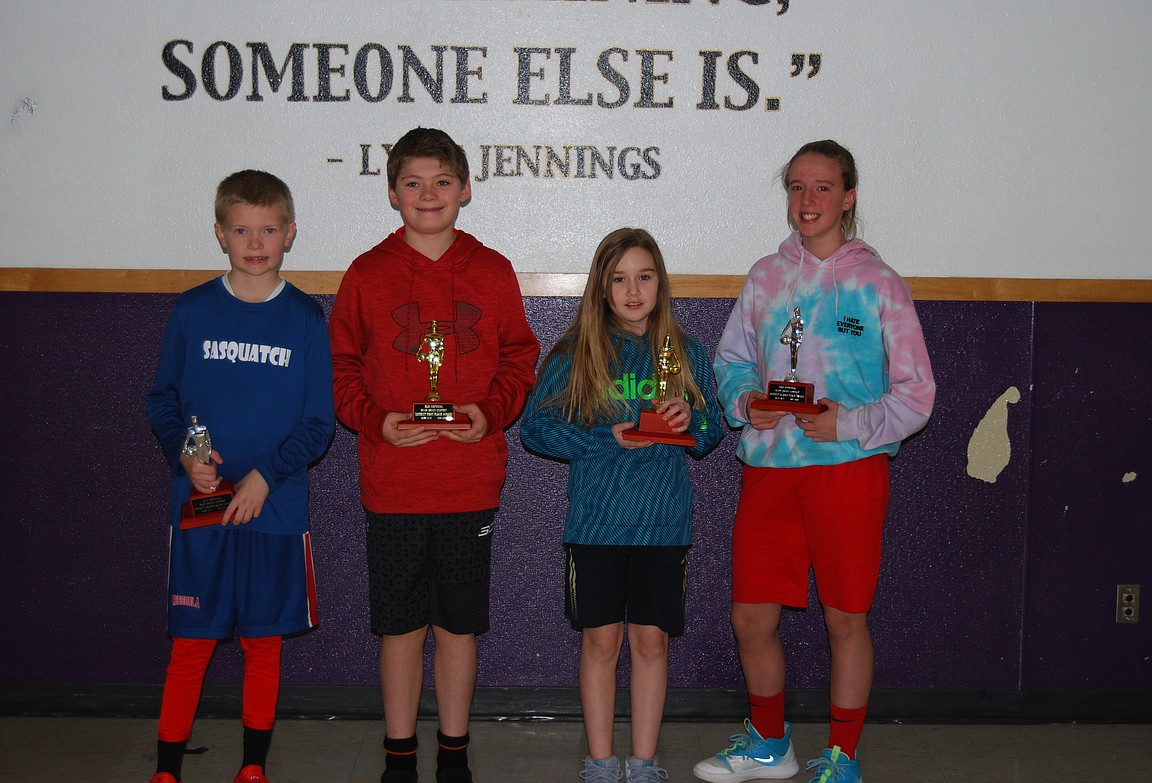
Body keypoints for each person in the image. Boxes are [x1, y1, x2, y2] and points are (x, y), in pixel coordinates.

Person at [693, 140, 935, 783]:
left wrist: (847, 423)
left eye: (822, 188)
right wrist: (746, 402)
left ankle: (843, 758)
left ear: (848, 197)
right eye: (797, 188)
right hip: (771, 468)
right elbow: (731, 363)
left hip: (848, 470)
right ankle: (770, 746)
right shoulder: (766, 278)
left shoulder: (877, 283)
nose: (808, 201)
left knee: (844, 618)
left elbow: (917, 395)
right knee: (750, 617)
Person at [329, 127, 540, 783]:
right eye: (414, 183)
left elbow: (519, 358)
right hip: (393, 483)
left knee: (456, 627)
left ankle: (453, 754)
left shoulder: (492, 269)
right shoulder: (366, 274)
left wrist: (491, 411)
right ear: (392, 192)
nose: (428, 195)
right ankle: (399, 759)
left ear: (466, 189)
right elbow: (341, 372)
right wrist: (377, 422)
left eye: (442, 182)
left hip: (466, 483)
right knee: (399, 629)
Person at [144, 170, 335, 783]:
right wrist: (184, 453)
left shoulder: (306, 319)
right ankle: (166, 768)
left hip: (274, 509)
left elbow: (318, 423)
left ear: (290, 234)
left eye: (269, 229)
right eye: (242, 230)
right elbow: (162, 399)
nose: (257, 242)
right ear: (221, 235)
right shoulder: (194, 309)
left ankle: (253, 767)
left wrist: (266, 477)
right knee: (192, 644)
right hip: (200, 507)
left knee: (262, 644)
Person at [520, 228, 724, 783]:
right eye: (619, 279)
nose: (633, 291)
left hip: (663, 523)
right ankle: (601, 762)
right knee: (601, 640)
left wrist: (690, 420)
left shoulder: (685, 352)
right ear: (601, 287)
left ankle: (645, 763)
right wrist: (608, 438)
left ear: (660, 282)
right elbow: (535, 430)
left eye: (644, 276)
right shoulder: (576, 352)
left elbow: (712, 433)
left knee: (651, 641)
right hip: (596, 523)